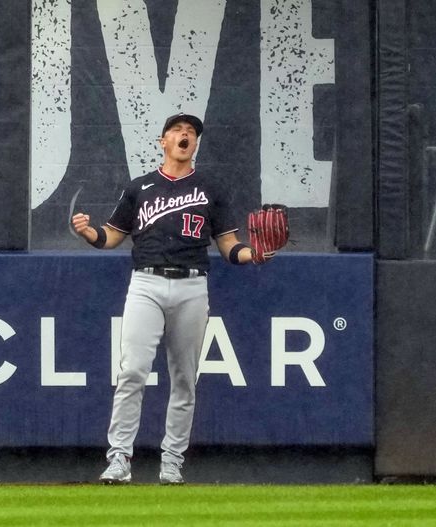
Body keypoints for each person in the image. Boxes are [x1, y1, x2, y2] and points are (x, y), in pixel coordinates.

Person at [71, 112, 272, 485]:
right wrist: (88, 233)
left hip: (192, 285)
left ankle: (172, 462)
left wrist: (253, 254)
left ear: (195, 144)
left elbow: (229, 245)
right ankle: (119, 460)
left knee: (184, 379)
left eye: (191, 132)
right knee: (132, 371)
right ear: (163, 142)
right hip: (146, 283)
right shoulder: (140, 188)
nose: (185, 135)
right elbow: (112, 236)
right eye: (178, 130)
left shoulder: (209, 188)